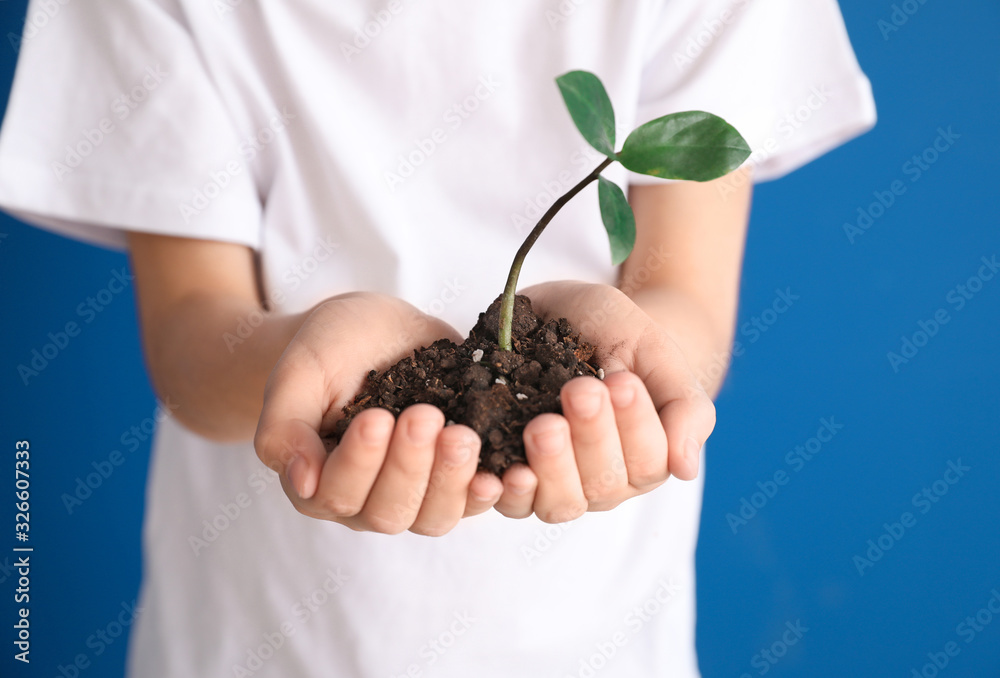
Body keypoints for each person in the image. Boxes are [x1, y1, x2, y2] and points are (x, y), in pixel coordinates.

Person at [0, 0, 876, 675]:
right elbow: (195, 344)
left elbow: (682, 305)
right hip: (256, 633)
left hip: (592, 636)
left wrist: (637, 366)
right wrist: (307, 357)